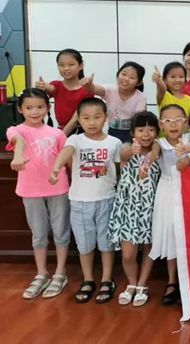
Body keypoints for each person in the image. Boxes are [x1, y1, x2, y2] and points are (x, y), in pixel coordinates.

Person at [50, 97, 122, 304]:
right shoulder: (75, 140)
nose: (92, 122)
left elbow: (118, 169)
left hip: (107, 199)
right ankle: (88, 279)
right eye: (86, 118)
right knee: (84, 244)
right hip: (80, 202)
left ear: (106, 117)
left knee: (106, 244)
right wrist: (56, 168)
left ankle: (107, 279)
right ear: (79, 119)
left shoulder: (114, 142)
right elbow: (66, 152)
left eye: (97, 117)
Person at [7, 88, 71, 299]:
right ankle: (41, 273)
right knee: (39, 233)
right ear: (20, 109)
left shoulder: (57, 133)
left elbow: (67, 158)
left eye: (40, 107)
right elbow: (18, 141)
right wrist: (17, 155)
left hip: (58, 187)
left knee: (60, 231)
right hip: (31, 190)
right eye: (29, 107)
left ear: (47, 108)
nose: (34, 112)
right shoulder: (15, 130)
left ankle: (60, 273)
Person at [108, 111, 162, 307]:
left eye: (151, 130)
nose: (146, 134)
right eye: (140, 130)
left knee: (148, 248)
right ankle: (131, 282)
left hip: (150, 208)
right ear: (132, 132)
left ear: (157, 132)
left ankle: (141, 284)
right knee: (128, 254)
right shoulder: (126, 148)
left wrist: (150, 156)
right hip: (127, 209)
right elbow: (124, 154)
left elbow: (156, 149)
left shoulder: (158, 150)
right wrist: (134, 150)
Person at [149, 104, 190, 305]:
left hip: (189, 191)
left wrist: (188, 162)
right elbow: (152, 154)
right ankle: (172, 281)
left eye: (178, 120)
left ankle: (189, 281)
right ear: (161, 125)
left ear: (186, 122)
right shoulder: (159, 143)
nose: (173, 124)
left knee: (187, 235)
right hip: (166, 192)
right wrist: (146, 162)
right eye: (168, 121)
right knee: (170, 236)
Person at [81, 61, 147, 143]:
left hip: (131, 133)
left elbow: (139, 120)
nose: (126, 79)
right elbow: (94, 89)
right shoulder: (110, 89)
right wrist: (89, 85)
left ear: (139, 82)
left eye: (132, 77)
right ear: (117, 74)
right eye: (124, 74)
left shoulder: (141, 97)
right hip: (112, 131)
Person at [35, 48, 94, 135]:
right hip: (61, 130)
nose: (66, 68)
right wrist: (42, 87)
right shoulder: (56, 85)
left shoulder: (87, 89)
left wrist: (61, 137)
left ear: (81, 65)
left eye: (71, 64)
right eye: (61, 65)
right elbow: (51, 89)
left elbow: (75, 120)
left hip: (82, 132)